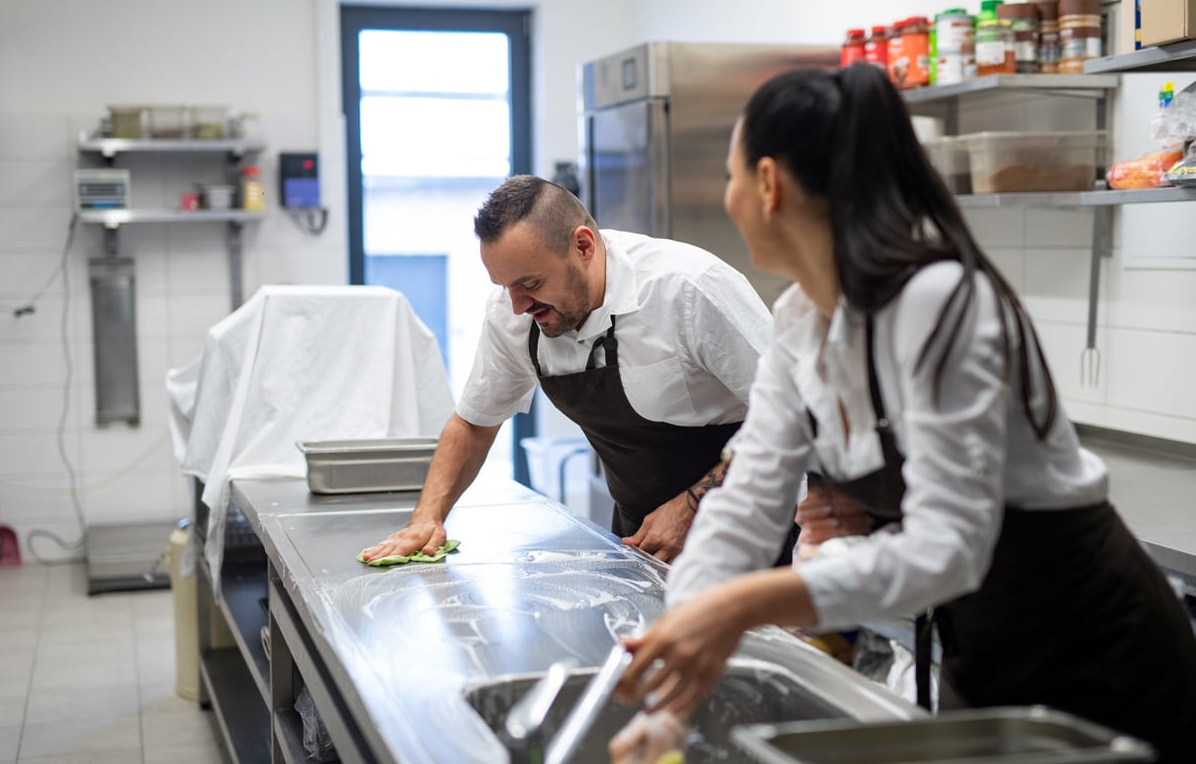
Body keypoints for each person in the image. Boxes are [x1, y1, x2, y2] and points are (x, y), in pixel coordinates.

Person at [611, 63, 1196, 763]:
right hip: (983, 646)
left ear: (768, 185)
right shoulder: (801, 321)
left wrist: (739, 606)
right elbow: (746, 505)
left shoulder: (940, 300)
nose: (729, 195)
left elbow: (947, 546)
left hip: (1100, 646)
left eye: (733, 176)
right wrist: (671, 697)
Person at [362, 174, 776, 565]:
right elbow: (474, 424)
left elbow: (793, 414)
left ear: (583, 246)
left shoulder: (688, 289)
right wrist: (427, 518)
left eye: (531, 284)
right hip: (644, 537)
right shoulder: (514, 314)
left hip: (750, 527)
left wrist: (691, 507)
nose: (518, 305)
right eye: (504, 286)